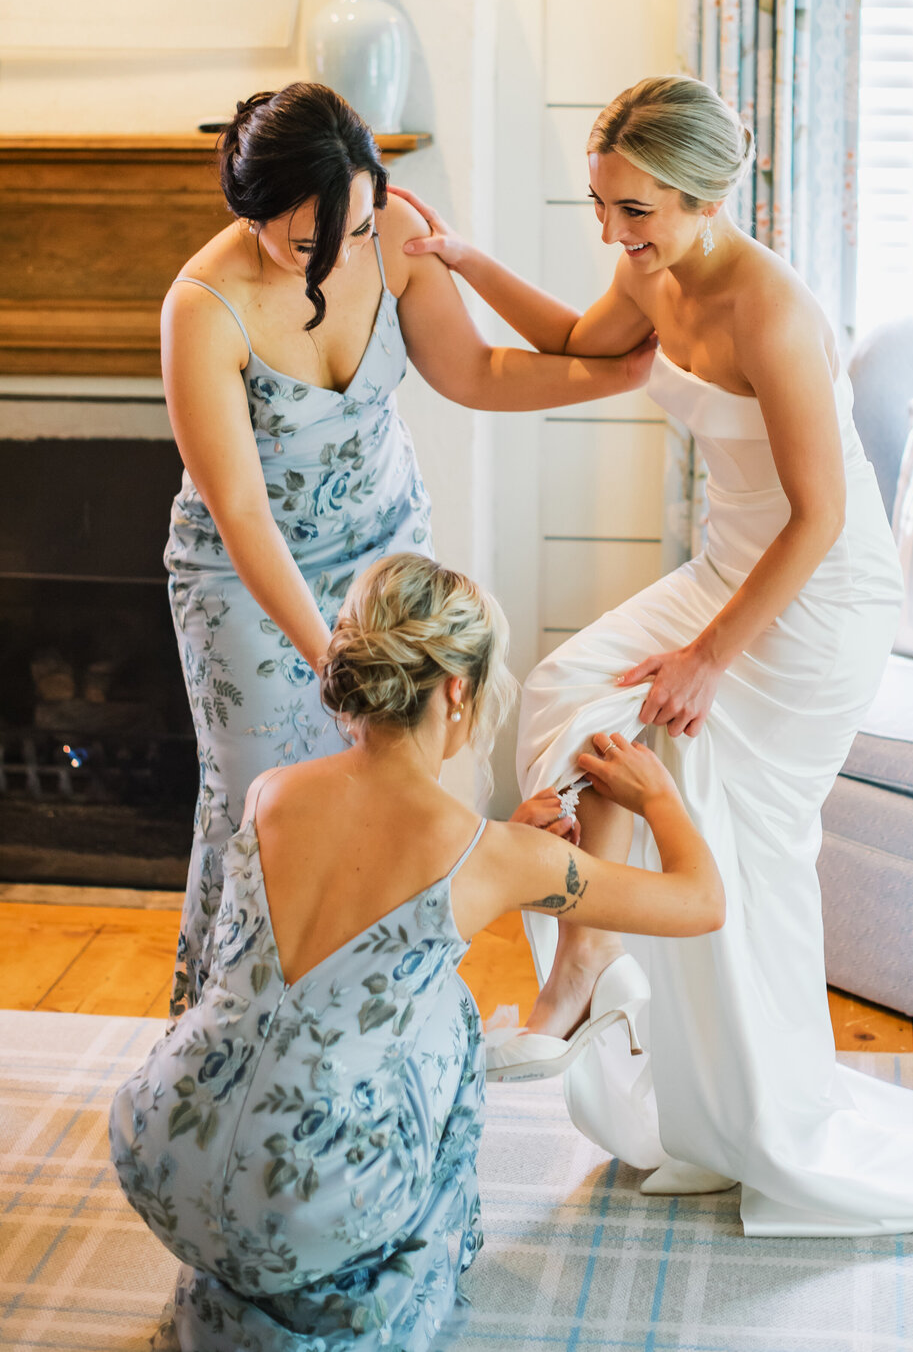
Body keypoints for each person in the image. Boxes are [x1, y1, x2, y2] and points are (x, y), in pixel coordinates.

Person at [398, 74, 913, 1244]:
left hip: (816, 593)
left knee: (693, 771)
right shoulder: (644, 266)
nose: (618, 237)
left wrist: (711, 660)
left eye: (639, 213)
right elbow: (573, 341)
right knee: (572, 689)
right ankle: (592, 949)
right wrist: (464, 262)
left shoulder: (768, 308)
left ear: (706, 196)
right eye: (603, 208)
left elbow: (820, 516)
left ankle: (712, 1074)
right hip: (730, 561)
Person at [110, 552, 724, 1352]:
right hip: (304, 1203)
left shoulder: (272, 795)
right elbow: (700, 902)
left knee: (364, 1000)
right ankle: (358, 1291)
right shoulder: (493, 854)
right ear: (458, 690)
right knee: (450, 1022)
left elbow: (344, 945)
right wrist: (659, 799)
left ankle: (241, 1269)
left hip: (160, 1151)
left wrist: (501, 858)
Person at [162, 83, 652, 1013]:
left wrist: (605, 376)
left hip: (386, 561)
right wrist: (333, 666)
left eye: (355, 227)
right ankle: (231, 1038)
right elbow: (243, 515)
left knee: (398, 796)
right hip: (250, 579)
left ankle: (379, 1027)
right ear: (251, 211)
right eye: (310, 242)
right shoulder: (200, 310)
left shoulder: (385, 232)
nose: (343, 256)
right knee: (258, 807)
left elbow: (470, 371)